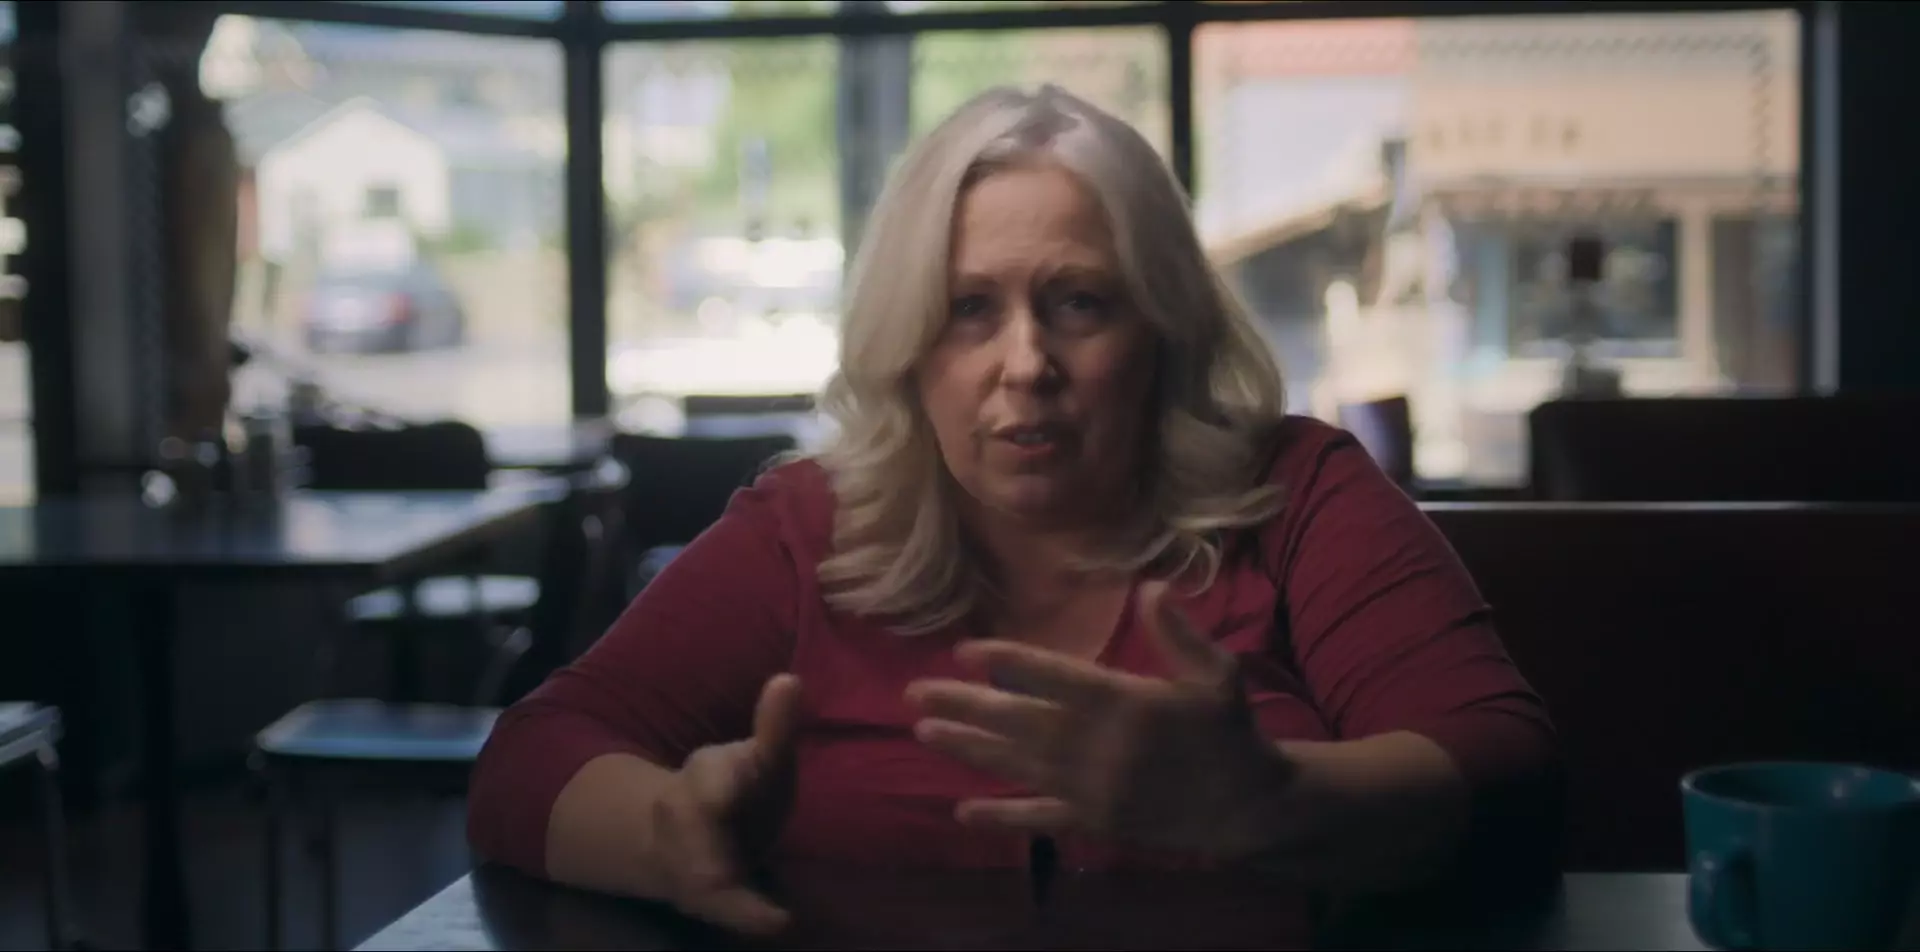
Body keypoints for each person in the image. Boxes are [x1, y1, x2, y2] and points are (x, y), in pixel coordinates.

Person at [468, 85, 1560, 936]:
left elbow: (1514, 780)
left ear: (1163, 327)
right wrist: (670, 833)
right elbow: (530, 757)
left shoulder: (1299, 491)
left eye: (1079, 302)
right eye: (969, 309)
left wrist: (1274, 800)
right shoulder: (807, 526)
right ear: (906, 342)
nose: (1026, 363)